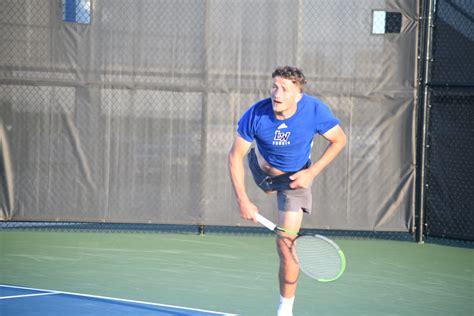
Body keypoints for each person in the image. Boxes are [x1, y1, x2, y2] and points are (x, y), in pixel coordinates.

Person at [228, 66, 347, 316]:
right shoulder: (256, 113)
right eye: (274, 86)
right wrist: (243, 200)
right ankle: (269, 189)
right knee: (257, 169)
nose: (277, 93)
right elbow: (235, 156)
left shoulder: (314, 110)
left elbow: (339, 140)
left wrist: (311, 173)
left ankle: (285, 310)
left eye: (285, 89)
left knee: (286, 245)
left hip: (294, 181)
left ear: (298, 95)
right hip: (261, 172)